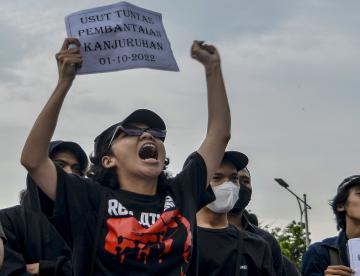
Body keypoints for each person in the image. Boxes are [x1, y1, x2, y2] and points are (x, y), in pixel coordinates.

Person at [20, 38, 231, 275]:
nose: (147, 136)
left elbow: (220, 135)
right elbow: (33, 160)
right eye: (132, 132)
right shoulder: (89, 198)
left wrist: (213, 69)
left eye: (156, 134)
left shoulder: (182, 193)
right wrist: (64, 83)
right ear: (108, 160)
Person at [196, 151, 274, 276]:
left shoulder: (257, 246)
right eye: (217, 177)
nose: (228, 185)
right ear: (197, 183)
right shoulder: (177, 239)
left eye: (233, 178)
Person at [21, 140, 88, 246]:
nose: (69, 173)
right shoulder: (10, 220)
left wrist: (42, 264)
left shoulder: (90, 224)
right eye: (60, 165)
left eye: (76, 169)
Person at [228, 166, 285, 276]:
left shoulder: (267, 241)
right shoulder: (192, 235)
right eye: (233, 179)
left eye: (245, 181)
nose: (239, 185)